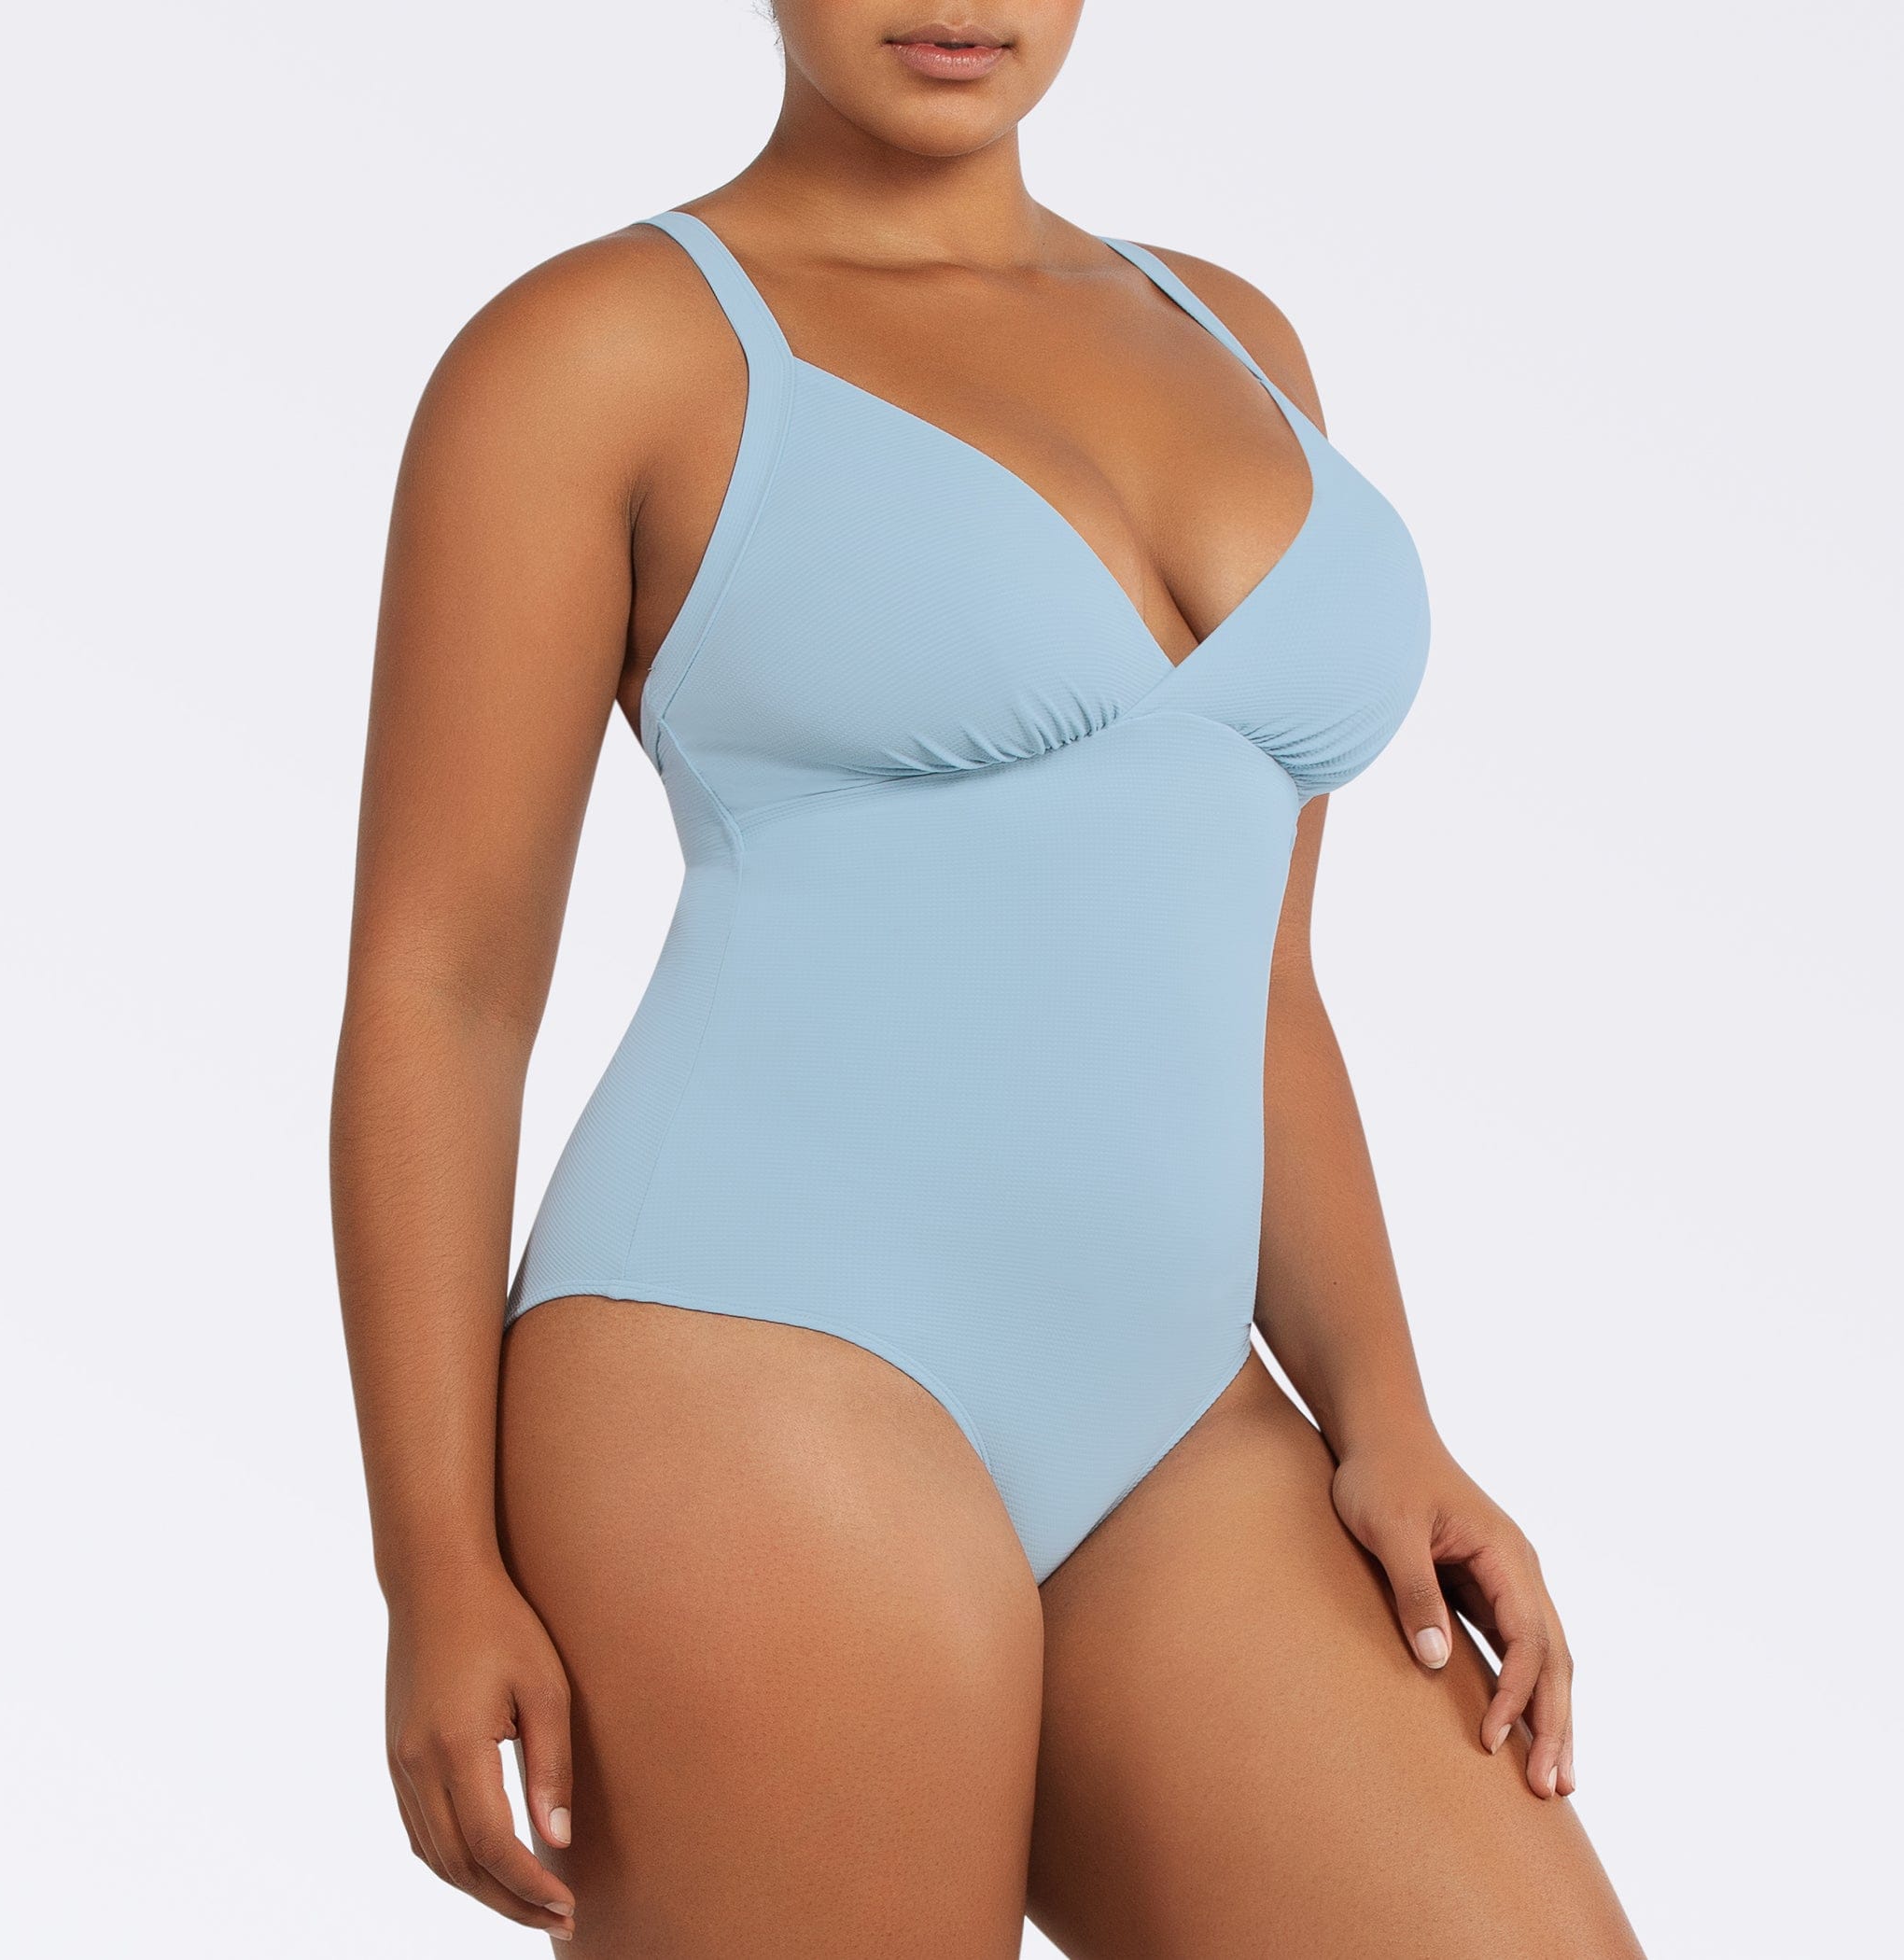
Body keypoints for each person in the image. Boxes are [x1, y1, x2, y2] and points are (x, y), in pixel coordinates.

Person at [330, 6, 1645, 1953]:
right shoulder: (601, 353)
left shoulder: (1233, 336)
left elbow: (1262, 982)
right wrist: (432, 1567)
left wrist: (1385, 1408)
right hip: (753, 1373)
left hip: (1181, 1418)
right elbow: (441, 990)